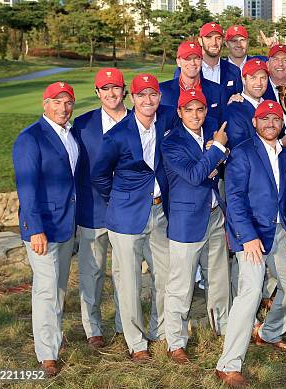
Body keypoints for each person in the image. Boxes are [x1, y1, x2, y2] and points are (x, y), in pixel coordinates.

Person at [215, 100, 286, 387]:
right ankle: (228, 364)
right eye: (264, 119)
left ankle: (269, 332)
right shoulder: (242, 154)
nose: (270, 123)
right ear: (255, 123)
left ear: (282, 124)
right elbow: (236, 200)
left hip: (280, 232)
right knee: (251, 292)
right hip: (251, 234)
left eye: (275, 119)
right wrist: (249, 237)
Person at [92, 74, 178, 362]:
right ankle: (136, 342)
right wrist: (119, 199)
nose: (148, 100)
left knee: (165, 275)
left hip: (160, 212)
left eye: (153, 94)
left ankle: (161, 330)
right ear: (133, 98)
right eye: (142, 95)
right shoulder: (116, 135)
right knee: (128, 281)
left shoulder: (166, 120)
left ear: (159, 97)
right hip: (126, 216)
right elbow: (100, 175)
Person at [12, 81, 78, 376]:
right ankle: (47, 355)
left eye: (67, 102)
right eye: (56, 102)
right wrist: (34, 228)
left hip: (66, 223)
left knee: (58, 288)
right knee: (46, 290)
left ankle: (53, 338)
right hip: (43, 228)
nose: (62, 108)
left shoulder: (69, 135)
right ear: (45, 103)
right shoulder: (30, 138)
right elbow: (26, 189)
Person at [161, 89, 231, 364]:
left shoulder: (210, 135)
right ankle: (175, 342)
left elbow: (216, 167)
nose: (195, 115)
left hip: (214, 214)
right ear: (179, 113)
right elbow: (193, 174)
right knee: (180, 284)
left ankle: (223, 326)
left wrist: (215, 156)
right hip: (186, 220)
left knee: (219, 278)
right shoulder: (172, 142)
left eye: (199, 109)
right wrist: (216, 151)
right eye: (188, 110)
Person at [72, 68, 128, 348]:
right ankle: (92, 327)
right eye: (105, 89)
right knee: (92, 272)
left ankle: (123, 323)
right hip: (93, 210)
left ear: (124, 90)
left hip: (128, 211)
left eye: (115, 88)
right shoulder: (82, 125)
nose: (111, 94)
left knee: (124, 271)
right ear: (97, 93)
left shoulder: (138, 119)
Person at [160, 41, 225, 125]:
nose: (193, 63)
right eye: (187, 59)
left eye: (197, 58)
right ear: (178, 62)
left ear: (202, 61)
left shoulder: (217, 90)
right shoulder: (163, 90)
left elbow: (222, 122)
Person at [224, 59, 269, 148]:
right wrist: (281, 143)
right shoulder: (234, 110)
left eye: (263, 78)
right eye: (253, 78)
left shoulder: (271, 106)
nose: (259, 83)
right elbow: (240, 149)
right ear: (243, 80)